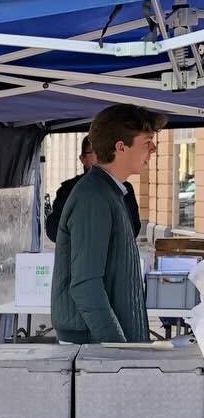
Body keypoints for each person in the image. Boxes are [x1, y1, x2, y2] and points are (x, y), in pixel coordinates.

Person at [50, 104, 162, 345]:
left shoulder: (109, 192)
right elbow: (85, 284)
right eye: (147, 142)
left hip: (103, 344)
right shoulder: (94, 197)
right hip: (96, 346)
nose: (153, 149)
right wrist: (117, 347)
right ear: (121, 147)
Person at [45, 133, 140, 243]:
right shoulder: (68, 190)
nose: (100, 156)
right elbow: (54, 230)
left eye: (104, 151)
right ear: (82, 159)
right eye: (93, 151)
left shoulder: (124, 188)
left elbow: (134, 227)